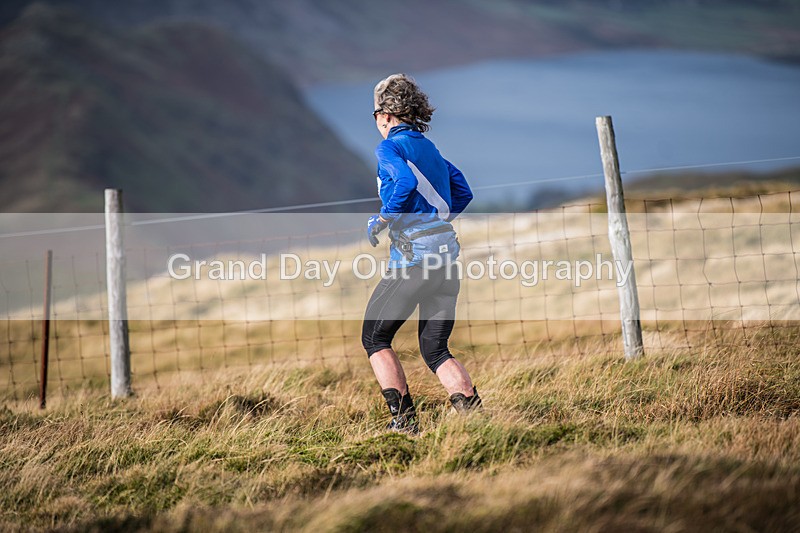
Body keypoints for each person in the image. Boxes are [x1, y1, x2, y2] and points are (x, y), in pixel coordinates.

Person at [362, 73, 481, 434]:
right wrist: (436, 222)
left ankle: (405, 422)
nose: (376, 123)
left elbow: (405, 183)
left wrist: (383, 218)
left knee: (374, 337)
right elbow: (463, 191)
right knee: (434, 348)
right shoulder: (430, 148)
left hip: (415, 260)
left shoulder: (389, 148)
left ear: (385, 114)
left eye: (375, 115)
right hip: (447, 260)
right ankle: (475, 422)